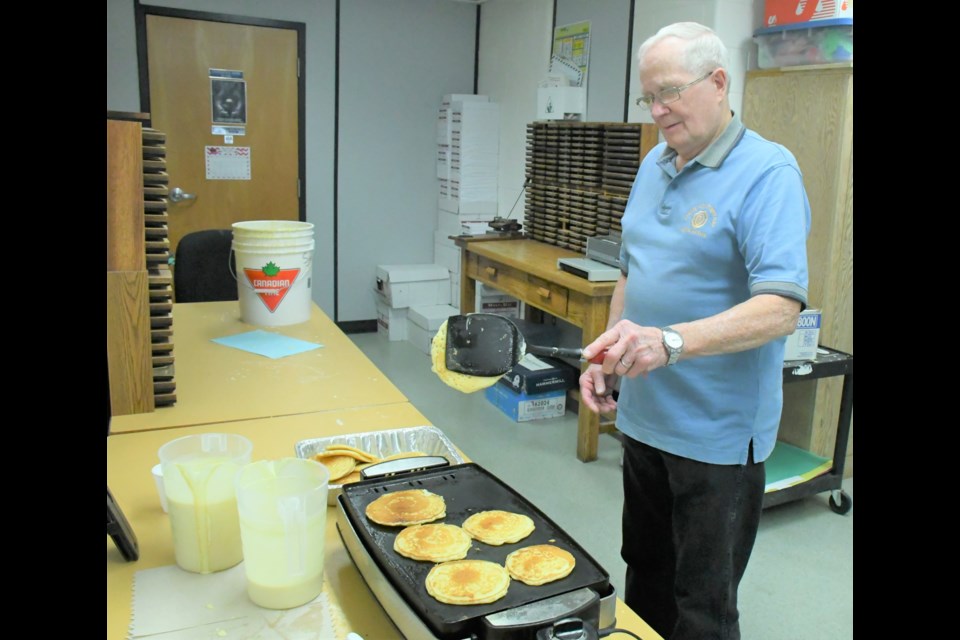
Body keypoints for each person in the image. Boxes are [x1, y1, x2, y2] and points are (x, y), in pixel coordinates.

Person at [578, 22, 811, 640]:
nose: (657, 112)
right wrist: (607, 353)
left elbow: (780, 306)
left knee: (703, 605)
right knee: (644, 576)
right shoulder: (655, 162)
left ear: (717, 82)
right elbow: (632, 269)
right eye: (647, 97)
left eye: (670, 93)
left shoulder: (768, 172)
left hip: (717, 439)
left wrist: (671, 342)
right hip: (644, 421)